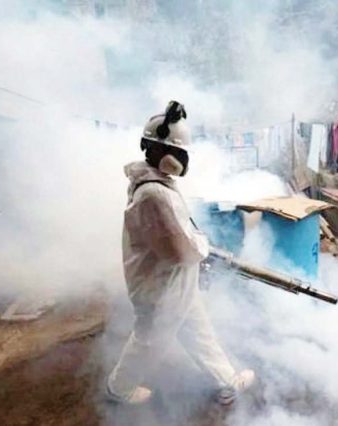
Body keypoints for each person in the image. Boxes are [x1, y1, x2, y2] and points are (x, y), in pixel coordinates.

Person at [107, 101, 255, 406]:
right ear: (163, 153)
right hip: (161, 287)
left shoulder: (156, 184)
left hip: (172, 282)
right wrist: (203, 251)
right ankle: (118, 389)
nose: (184, 159)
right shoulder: (154, 193)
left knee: (199, 332)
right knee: (148, 340)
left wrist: (199, 252)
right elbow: (177, 249)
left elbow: (177, 237)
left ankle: (226, 382)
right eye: (181, 152)